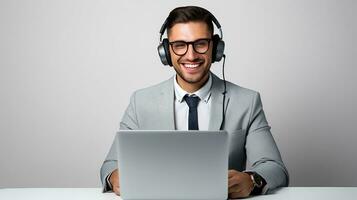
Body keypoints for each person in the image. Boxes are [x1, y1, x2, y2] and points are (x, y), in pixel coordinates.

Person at [100, 6, 289, 198]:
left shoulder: (247, 101)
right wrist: (115, 177)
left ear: (215, 47)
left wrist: (251, 180)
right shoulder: (140, 102)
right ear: (166, 51)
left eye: (200, 44)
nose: (191, 55)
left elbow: (273, 167)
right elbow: (110, 165)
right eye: (180, 45)